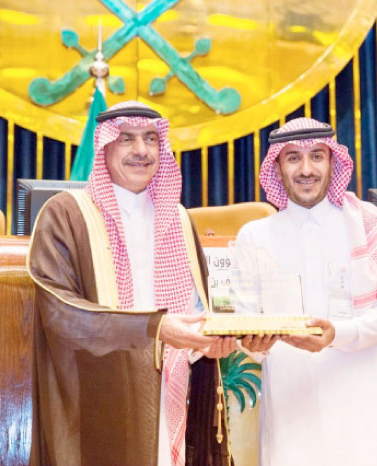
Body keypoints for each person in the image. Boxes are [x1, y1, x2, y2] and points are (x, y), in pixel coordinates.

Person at [27, 101, 236, 466]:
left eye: (151, 139)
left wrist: (211, 342)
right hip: (97, 398)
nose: (141, 150)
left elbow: (196, 309)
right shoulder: (65, 214)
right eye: (126, 139)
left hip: (170, 398)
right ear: (104, 146)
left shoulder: (179, 220)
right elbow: (61, 316)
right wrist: (156, 329)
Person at [234, 117, 377, 466]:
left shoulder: (366, 221)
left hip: (361, 397)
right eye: (293, 158)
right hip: (291, 400)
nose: (306, 169)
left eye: (317, 155)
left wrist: (337, 334)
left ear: (332, 161)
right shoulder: (254, 236)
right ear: (278, 167)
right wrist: (249, 343)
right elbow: (242, 321)